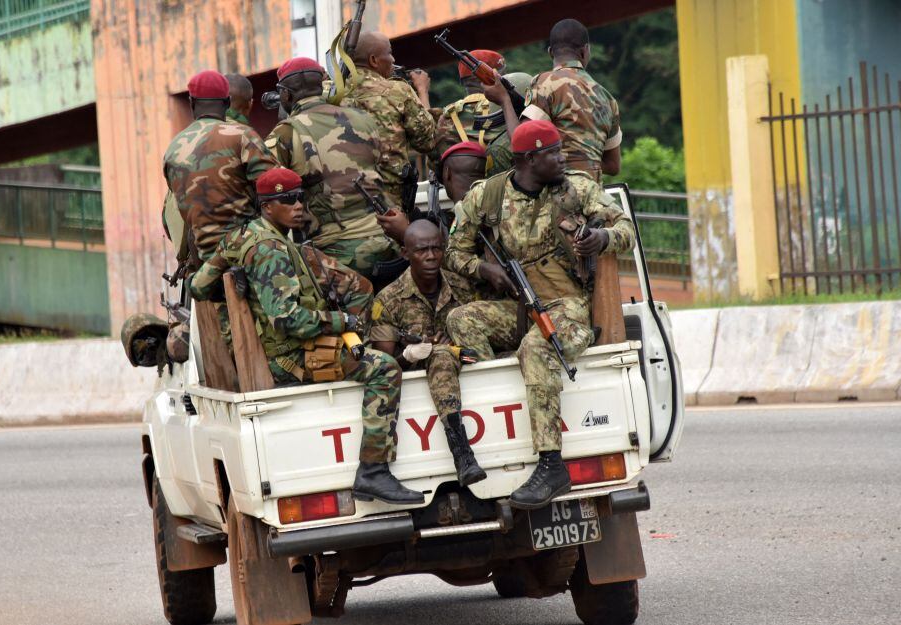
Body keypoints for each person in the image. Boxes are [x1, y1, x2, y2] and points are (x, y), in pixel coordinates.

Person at [444, 121, 635, 510]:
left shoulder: (575, 188)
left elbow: (627, 229)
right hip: (521, 305)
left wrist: (602, 238)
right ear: (529, 159)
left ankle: (551, 463)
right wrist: (484, 270)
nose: (562, 159)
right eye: (553, 153)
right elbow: (453, 251)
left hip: (569, 306)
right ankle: (502, 426)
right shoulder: (488, 195)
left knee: (537, 347)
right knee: (461, 320)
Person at [231, 167, 422, 506]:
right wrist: (341, 321)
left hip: (303, 346)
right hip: (290, 357)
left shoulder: (257, 238)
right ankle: (373, 472)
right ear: (267, 207)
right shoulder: (269, 249)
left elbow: (201, 282)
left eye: (299, 198)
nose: (298, 206)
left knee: (365, 318)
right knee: (384, 368)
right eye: (287, 200)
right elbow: (287, 320)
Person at [264, 57, 403, 284]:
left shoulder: (286, 133)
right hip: (388, 242)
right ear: (321, 85)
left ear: (286, 95)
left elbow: (269, 192)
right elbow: (388, 170)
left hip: (335, 256)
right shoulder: (363, 119)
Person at [369, 220, 485, 486]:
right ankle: (463, 454)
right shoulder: (388, 300)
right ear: (405, 253)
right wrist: (410, 355)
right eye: (422, 250)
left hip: (468, 365)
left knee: (444, 353)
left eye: (437, 248)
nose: (431, 256)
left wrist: (455, 343)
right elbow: (384, 364)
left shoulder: (462, 287)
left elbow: (482, 346)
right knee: (440, 355)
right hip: (415, 379)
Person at [163, 70, 277, 302]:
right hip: (250, 257)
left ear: (192, 103)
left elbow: (174, 211)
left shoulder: (173, 149)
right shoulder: (242, 135)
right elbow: (277, 189)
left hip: (205, 266)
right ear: (226, 103)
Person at [341, 31, 436, 209]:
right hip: (389, 205)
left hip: (343, 203)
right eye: (389, 53)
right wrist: (422, 90)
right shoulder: (398, 91)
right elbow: (427, 141)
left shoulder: (330, 93)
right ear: (373, 60)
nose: (393, 59)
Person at [521, 19, 622, 181]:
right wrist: (586, 164)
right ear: (585, 51)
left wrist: (504, 100)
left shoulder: (545, 83)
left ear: (550, 52)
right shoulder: (608, 98)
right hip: (593, 192)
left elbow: (524, 139)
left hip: (558, 190)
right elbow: (613, 165)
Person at [432, 50, 508, 168]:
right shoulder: (507, 106)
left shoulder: (448, 117)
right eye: (503, 75)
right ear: (492, 77)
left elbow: (436, 163)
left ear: (463, 82)